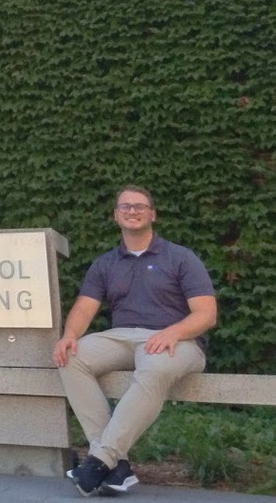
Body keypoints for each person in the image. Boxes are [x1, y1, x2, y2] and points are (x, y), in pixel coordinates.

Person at [52, 185, 217, 497]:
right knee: (70, 356)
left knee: (154, 366)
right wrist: (69, 336)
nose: (132, 210)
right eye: (125, 206)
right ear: (116, 216)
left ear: (153, 214)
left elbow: (206, 315)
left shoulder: (181, 257)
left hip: (179, 341)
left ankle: (100, 459)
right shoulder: (105, 263)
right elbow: (84, 309)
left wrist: (171, 332)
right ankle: (116, 465)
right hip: (122, 337)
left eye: (140, 206)